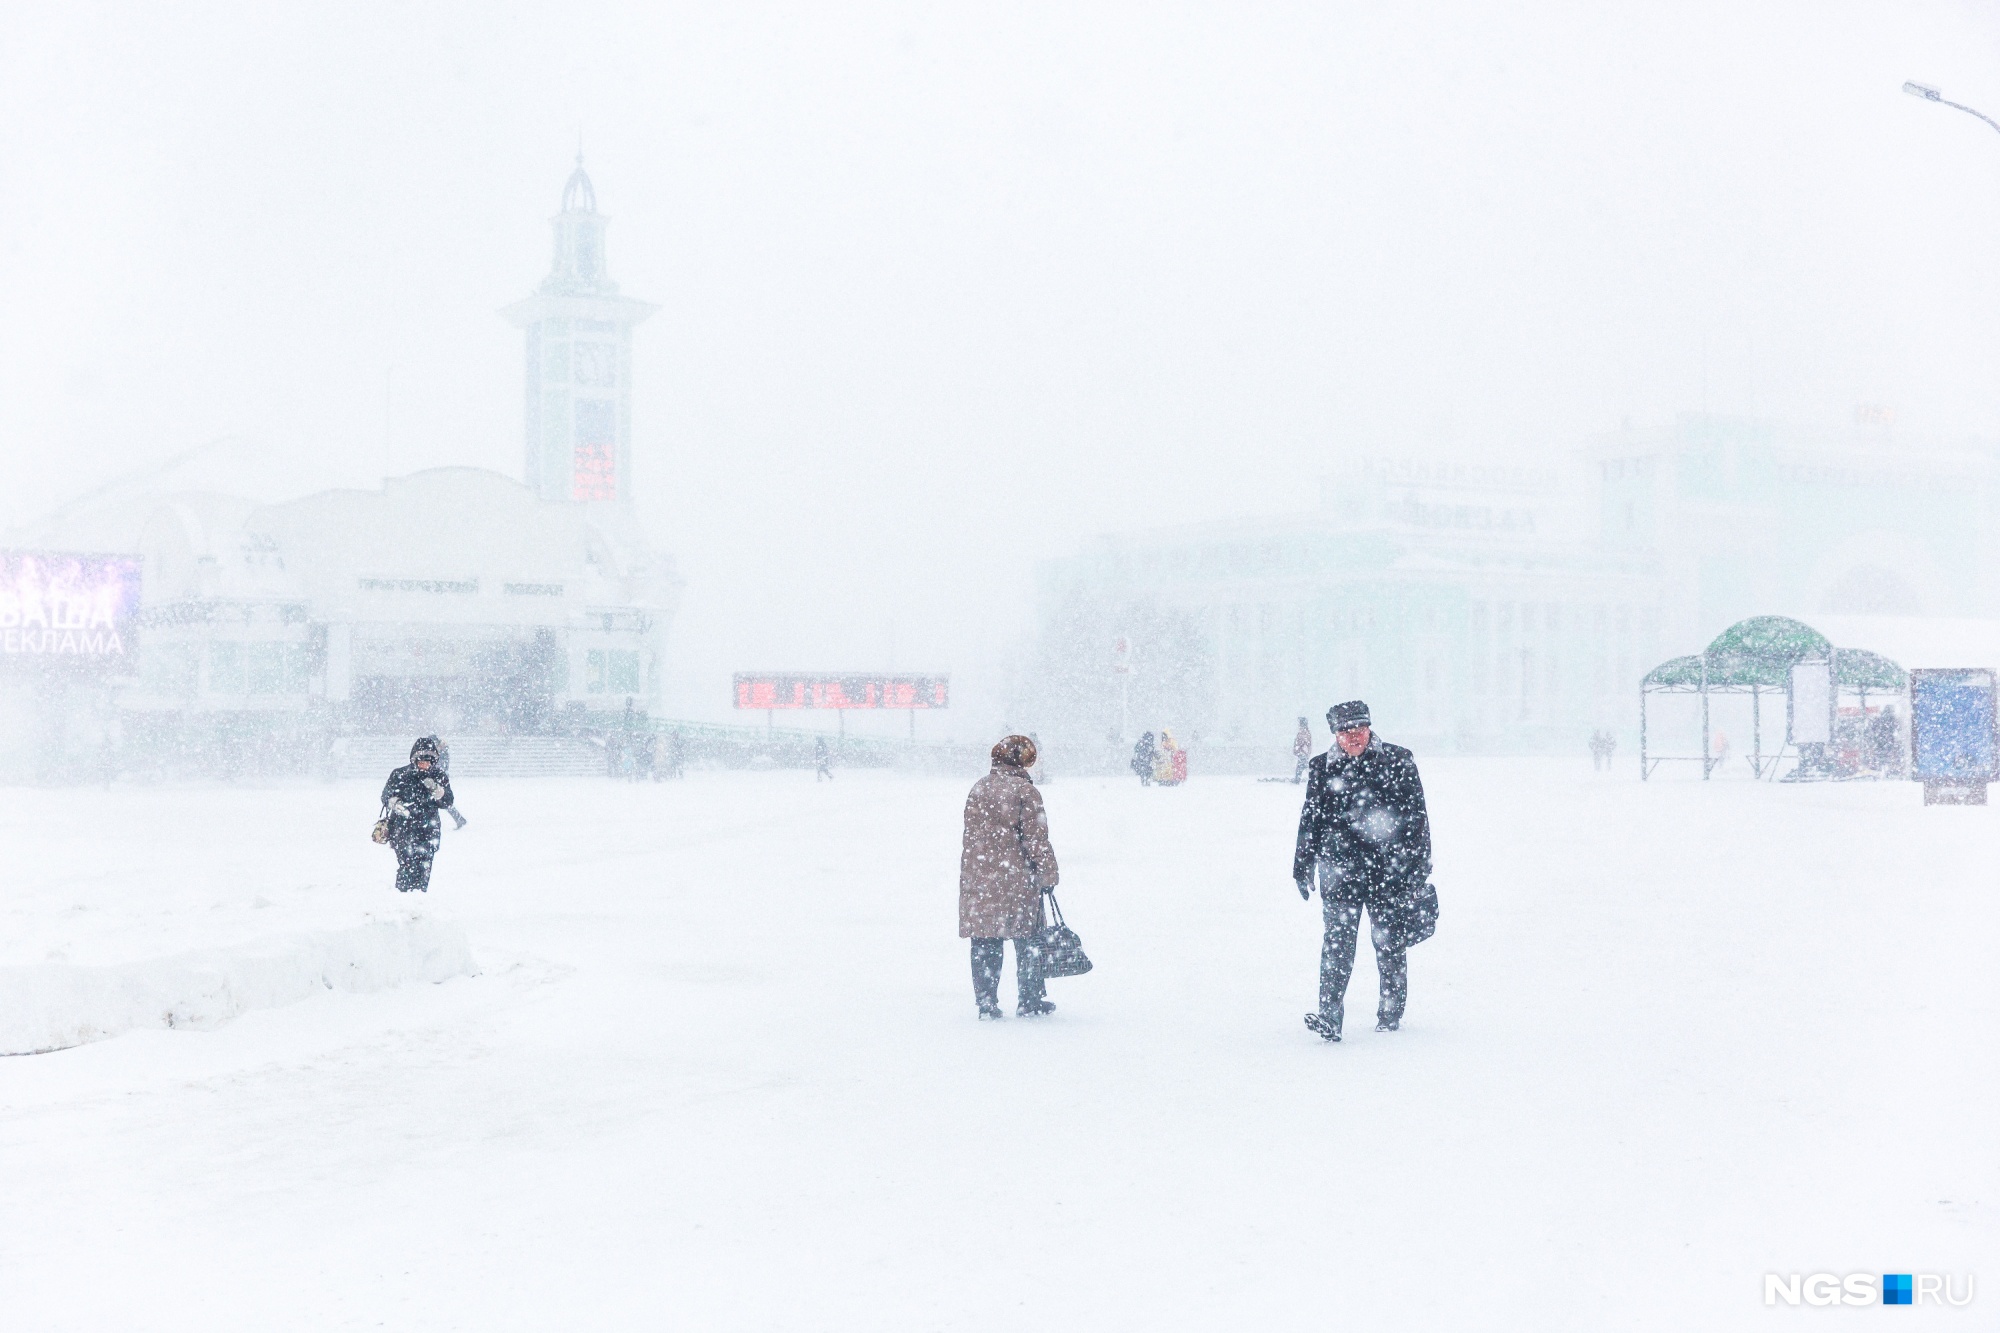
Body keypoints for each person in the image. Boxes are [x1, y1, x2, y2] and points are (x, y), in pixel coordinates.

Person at [1293, 700, 1431, 1041]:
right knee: (1337, 945)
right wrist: (1302, 864)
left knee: (1389, 944)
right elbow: (1311, 819)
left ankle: (1390, 1014)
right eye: (1345, 731)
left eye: (1359, 729)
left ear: (1369, 728)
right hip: (1340, 871)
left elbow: (1417, 819)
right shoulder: (1322, 768)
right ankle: (1329, 1015)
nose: (1353, 737)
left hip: (1390, 870)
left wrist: (1418, 869)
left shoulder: (1398, 760)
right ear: (1335, 734)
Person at [959, 734, 1060, 1020]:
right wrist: (1048, 873)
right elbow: (1036, 839)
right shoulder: (1025, 792)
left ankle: (986, 1003)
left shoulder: (978, 788)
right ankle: (1030, 999)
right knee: (1028, 939)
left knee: (984, 941)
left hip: (979, 878)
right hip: (1016, 878)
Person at [381, 736, 458, 894]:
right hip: (402, 829)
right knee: (406, 865)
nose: (425, 765)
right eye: (421, 760)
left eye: (429, 761)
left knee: (425, 867)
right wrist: (394, 803)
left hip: (428, 830)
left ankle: (418, 897)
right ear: (414, 759)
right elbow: (385, 795)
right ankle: (402, 896)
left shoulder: (438, 776)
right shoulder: (400, 774)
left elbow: (448, 802)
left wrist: (439, 791)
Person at [1292, 717, 1313, 783]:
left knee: (1301, 769)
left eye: (1299, 723)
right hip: (1303, 754)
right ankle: (1314, 779)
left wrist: (1297, 748)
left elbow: (1302, 743)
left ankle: (1297, 781)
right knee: (1304, 768)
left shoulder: (1303, 732)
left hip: (1303, 753)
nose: (1298, 725)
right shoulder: (1305, 732)